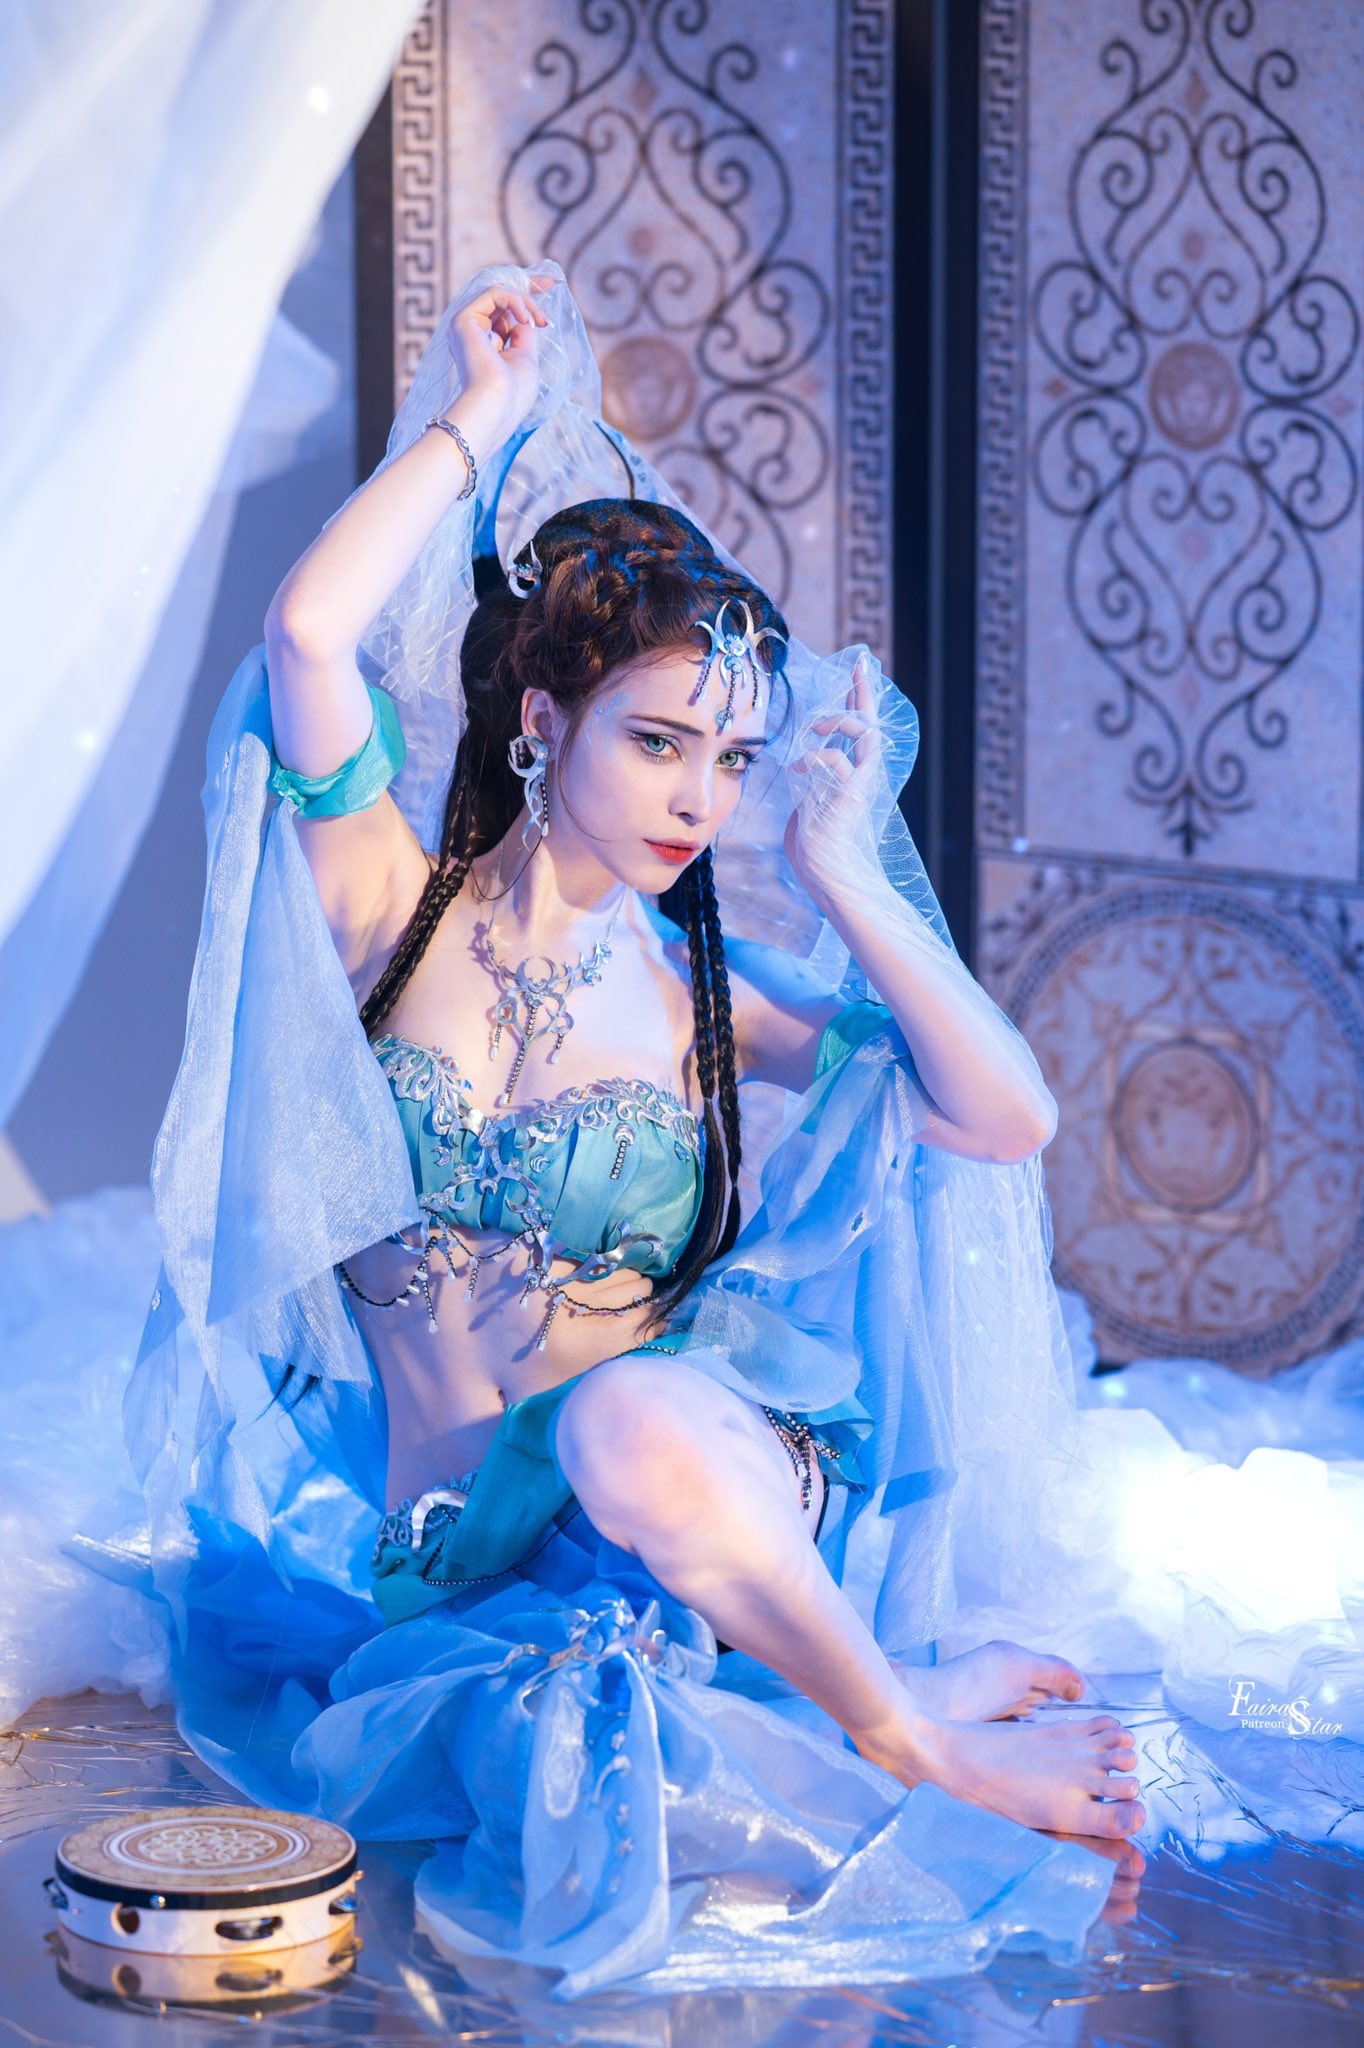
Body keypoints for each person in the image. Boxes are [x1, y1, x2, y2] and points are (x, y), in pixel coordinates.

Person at [121, 265, 1142, 1996]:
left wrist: (842, 867)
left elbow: (1006, 1113)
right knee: (569, 1762)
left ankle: (905, 1737)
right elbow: (307, 635)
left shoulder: (703, 1000)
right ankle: (843, 1683)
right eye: (662, 742)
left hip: (687, 1475)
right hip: (463, 1572)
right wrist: (482, 417)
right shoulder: (388, 913)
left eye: (730, 759)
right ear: (542, 722)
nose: (699, 797)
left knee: (627, 1418)